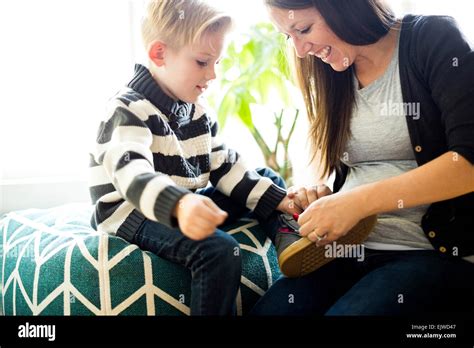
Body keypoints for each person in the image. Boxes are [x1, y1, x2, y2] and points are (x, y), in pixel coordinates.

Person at [251, 0, 474, 315]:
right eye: (289, 37)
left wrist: (356, 202)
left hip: (427, 252)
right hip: (344, 249)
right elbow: (351, 172)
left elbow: (468, 163)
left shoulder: (432, 37)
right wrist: (323, 197)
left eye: (303, 29)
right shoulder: (330, 71)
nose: (300, 50)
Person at [87, 0, 303, 316]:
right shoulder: (127, 109)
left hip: (184, 201)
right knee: (218, 250)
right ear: (159, 54)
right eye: (203, 62)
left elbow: (224, 165)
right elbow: (132, 176)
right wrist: (180, 205)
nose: (213, 74)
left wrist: (282, 200)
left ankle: (290, 243)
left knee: (267, 180)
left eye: (216, 62)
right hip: (132, 211)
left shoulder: (196, 112)